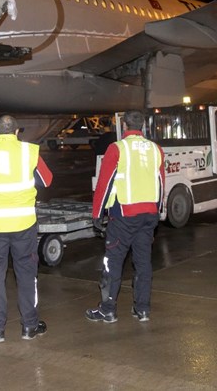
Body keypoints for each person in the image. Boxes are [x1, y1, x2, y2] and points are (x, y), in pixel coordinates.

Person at [0, 114, 54, 343]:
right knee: (26, 274)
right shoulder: (30, 151)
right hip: (24, 224)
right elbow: (46, 180)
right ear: (17, 132)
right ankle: (29, 327)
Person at [86, 109, 165, 323]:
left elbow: (104, 183)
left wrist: (97, 213)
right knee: (143, 262)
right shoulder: (155, 149)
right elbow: (160, 182)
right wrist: (158, 210)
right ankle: (143, 309)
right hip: (148, 215)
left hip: (123, 215)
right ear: (143, 126)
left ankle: (108, 309)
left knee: (113, 262)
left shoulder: (117, 149)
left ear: (124, 125)